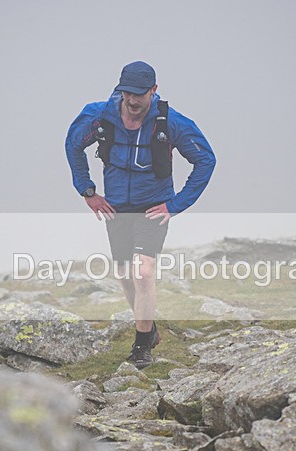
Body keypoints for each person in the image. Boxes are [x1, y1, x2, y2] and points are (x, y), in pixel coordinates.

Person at [65, 61, 216, 368]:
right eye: (127, 94)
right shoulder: (99, 115)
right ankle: (150, 330)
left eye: (139, 95)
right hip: (117, 207)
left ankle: (140, 347)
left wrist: (176, 205)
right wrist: (88, 191)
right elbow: (72, 145)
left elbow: (206, 161)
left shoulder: (171, 122)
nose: (132, 101)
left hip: (153, 207)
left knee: (143, 271)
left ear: (153, 91)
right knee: (123, 274)